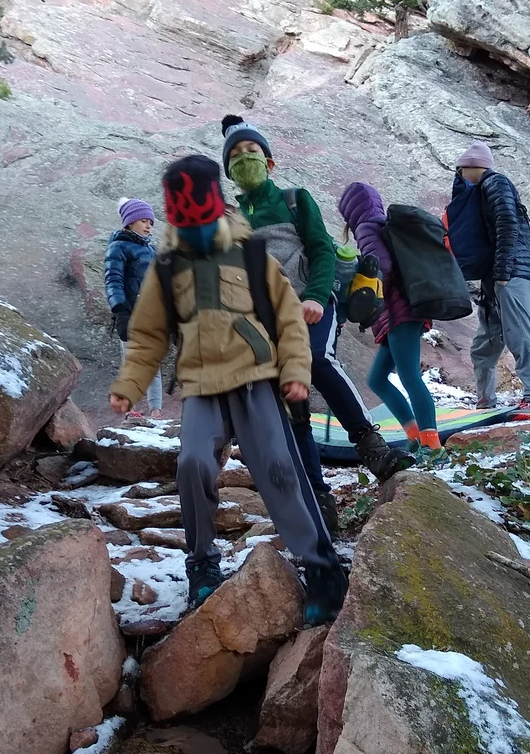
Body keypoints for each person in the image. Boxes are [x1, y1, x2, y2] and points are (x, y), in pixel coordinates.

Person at [109, 153, 347, 623]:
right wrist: (130, 385)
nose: (196, 230)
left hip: (256, 378)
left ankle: (321, 568)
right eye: (186, 221)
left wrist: (296, 372)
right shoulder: (166, 268)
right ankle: (201, 563)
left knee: (280, 469)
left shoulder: (252, 255)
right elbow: (149, 335)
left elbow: (289, 321)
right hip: (201, 385)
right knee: (193, 463)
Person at [221, 115, 412, 514]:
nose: (244, 159)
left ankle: (371, 447)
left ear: (269, 161)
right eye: (235, 156)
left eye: (251, 151)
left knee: (316, 359)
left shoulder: (295, 199)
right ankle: (315, 494)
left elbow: (322, 249)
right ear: (229, 172)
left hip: (311, 301)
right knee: (290, 399)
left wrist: (318, 297)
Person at [338, 180, 448, 467]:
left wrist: (362, 286)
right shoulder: (382, 225)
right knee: (377, 378)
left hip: (401, 312)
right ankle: (415, 437)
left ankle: (432, 445)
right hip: (399, 313)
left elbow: (382, 267)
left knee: (410, 376)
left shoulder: (366, 227)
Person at [449, 142, 530, 420]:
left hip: (512, 274)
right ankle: (485, 403)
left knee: (519, 336)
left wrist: (503, 272)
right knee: (485, 344)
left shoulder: (496, 183)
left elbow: (508, 224)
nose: (459, 175)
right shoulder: (484, 189)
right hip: (495, 278)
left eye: (460, 170)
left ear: (471, 165)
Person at [104, 197, 162, 416]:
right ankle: (131, 410)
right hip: (130, 313)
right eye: (144, 221)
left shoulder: (153, 250)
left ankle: (156, 411)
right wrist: (120, 310)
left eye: (151, 222)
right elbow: (113, 280)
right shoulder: (118, 247)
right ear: (129, 222)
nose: (148, 225)